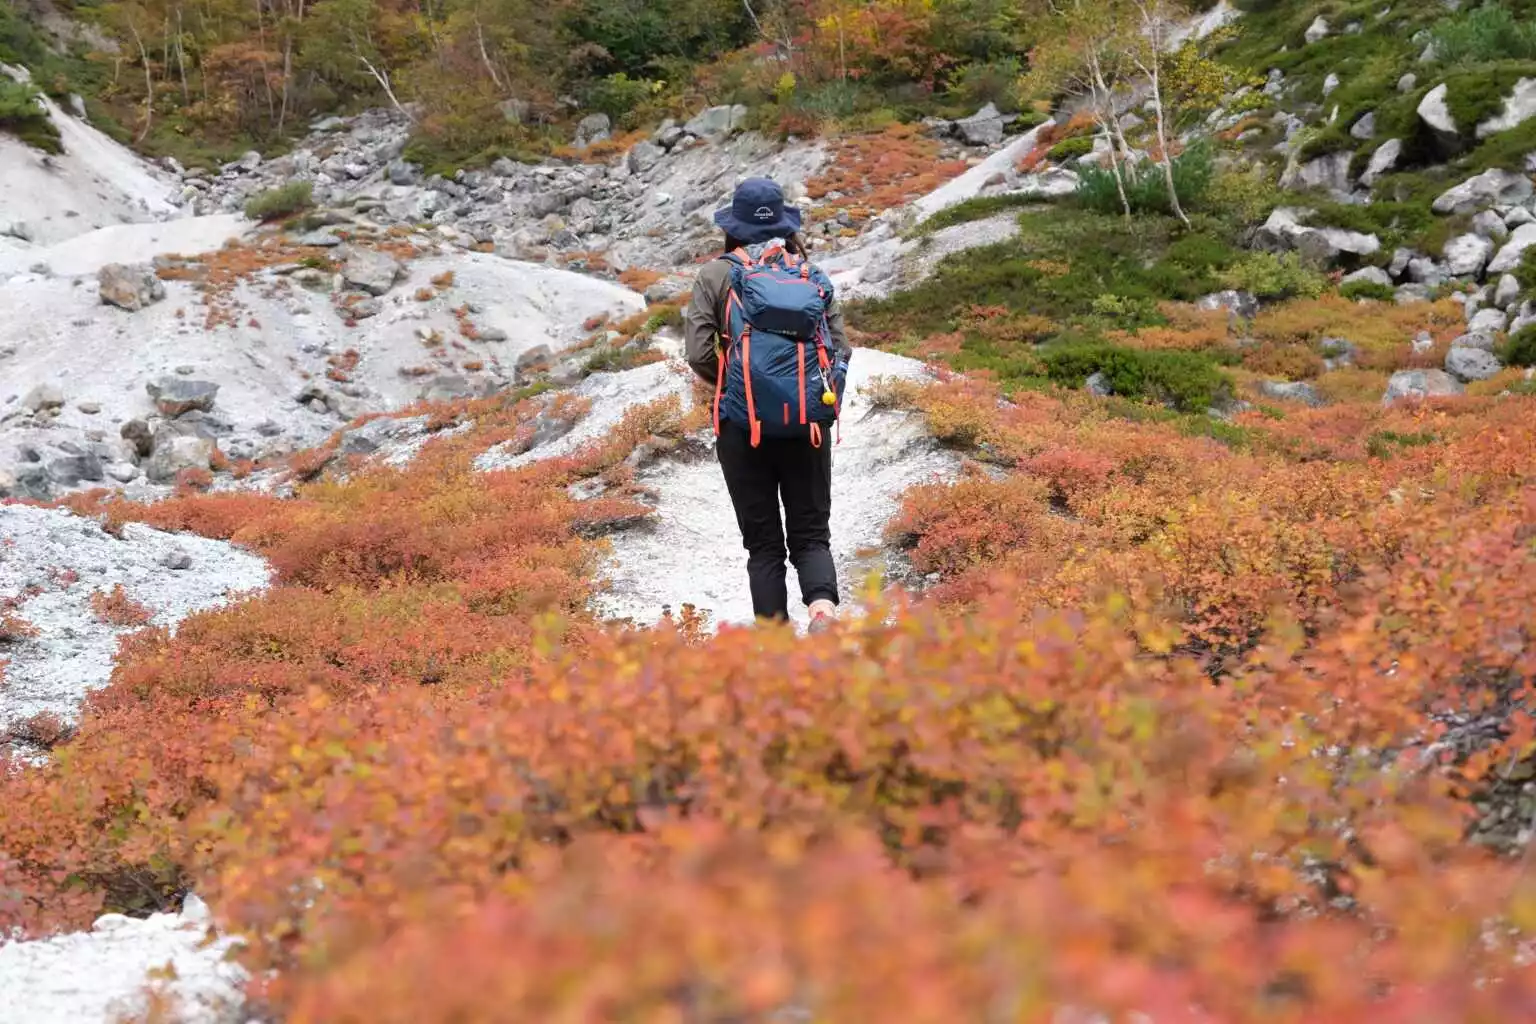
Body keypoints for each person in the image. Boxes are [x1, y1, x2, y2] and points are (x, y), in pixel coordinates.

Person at [685, 177, 853, 633]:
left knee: (763, 545)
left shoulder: (715, 275)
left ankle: (776, 644)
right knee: (811, 534)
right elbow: (840, 348)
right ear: (783, 222)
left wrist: (737, 387)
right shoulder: (810, 274)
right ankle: (823, 613)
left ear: (733, 227)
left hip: (742, 427)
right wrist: (814, 396)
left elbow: (698, 353)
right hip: (806, 425)